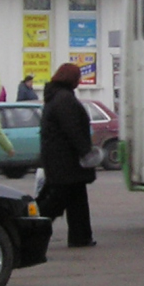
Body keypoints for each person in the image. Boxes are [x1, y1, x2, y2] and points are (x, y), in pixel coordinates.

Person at [38, 62, 97, 247]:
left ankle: (81, 237)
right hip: (65, 161)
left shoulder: (56, 97)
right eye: (78, 77)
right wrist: (85, 152)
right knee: (55, 201)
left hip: (61, 160)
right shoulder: (64, 99)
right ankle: (30, 230)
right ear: (71, 79)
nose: (79, 81)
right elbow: (73, 129)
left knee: (77, 199)